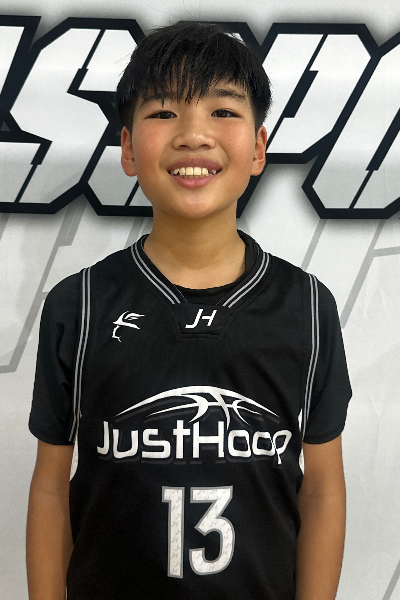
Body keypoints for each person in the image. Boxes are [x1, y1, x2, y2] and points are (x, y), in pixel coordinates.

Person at [26, 21, 352, 600]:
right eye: (163, 112)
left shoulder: (306, 306)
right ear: (128, 149)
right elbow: (51, 486)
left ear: (258, 148)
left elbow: (323, 488)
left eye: (223, 111)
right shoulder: (79, 304)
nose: (194, 135)